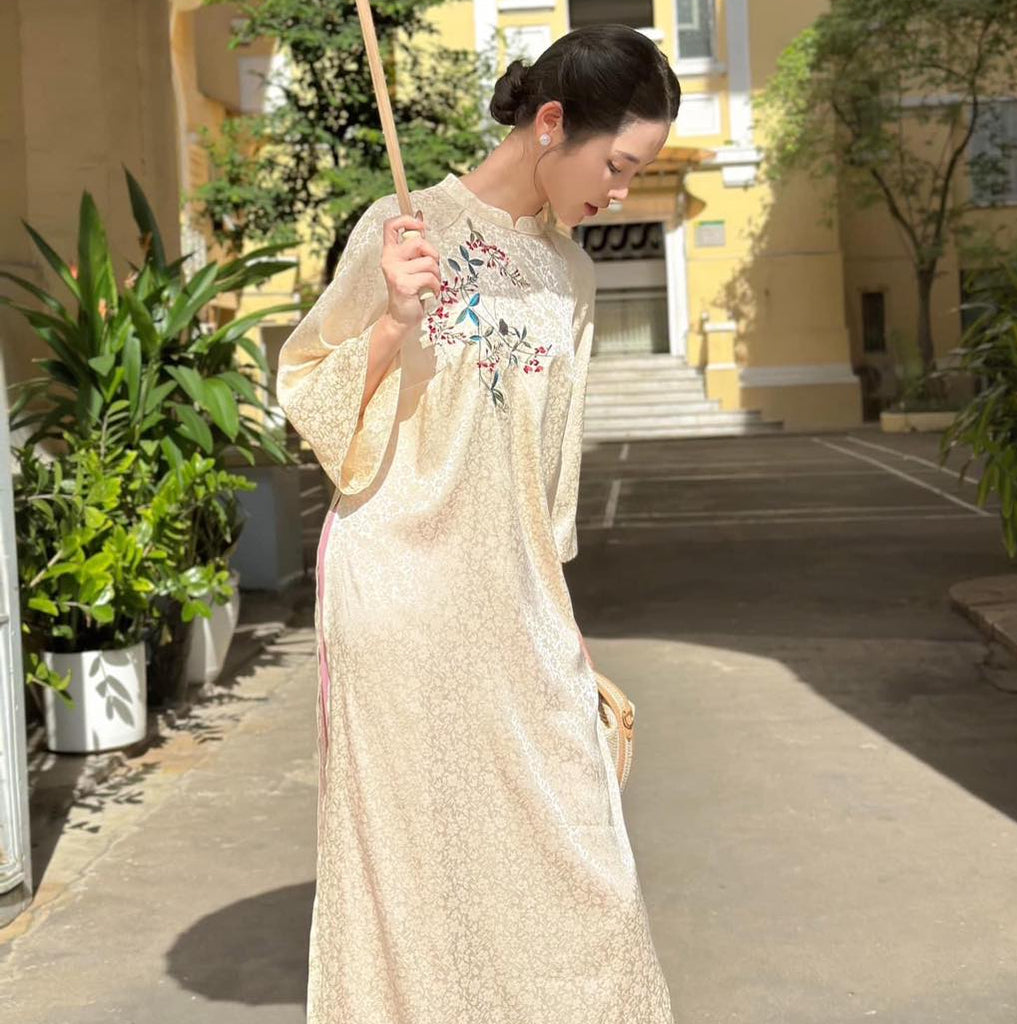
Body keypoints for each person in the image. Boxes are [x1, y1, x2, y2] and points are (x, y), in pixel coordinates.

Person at [275, 22, 680, 1024]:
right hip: (397, 595)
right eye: (618, 165)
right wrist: (389, 322)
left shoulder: (566, 278)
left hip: (512, 603)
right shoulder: (400, 228)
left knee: (581, 868)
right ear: (552, 125)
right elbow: (308, 398)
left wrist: (566, 640)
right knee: (419, 873)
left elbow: (547, 487)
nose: (620, 192)